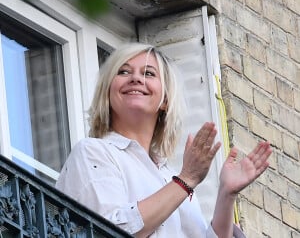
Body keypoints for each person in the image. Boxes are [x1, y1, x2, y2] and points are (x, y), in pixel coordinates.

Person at [56, 43, 272, 238]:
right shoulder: (93, 152)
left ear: (165, 100)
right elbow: (108, 230)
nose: (136, 78)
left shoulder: (169, 176)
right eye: (123, 72)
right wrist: (186, 180)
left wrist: (226, 194)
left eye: (149, 73)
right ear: (108, 93)